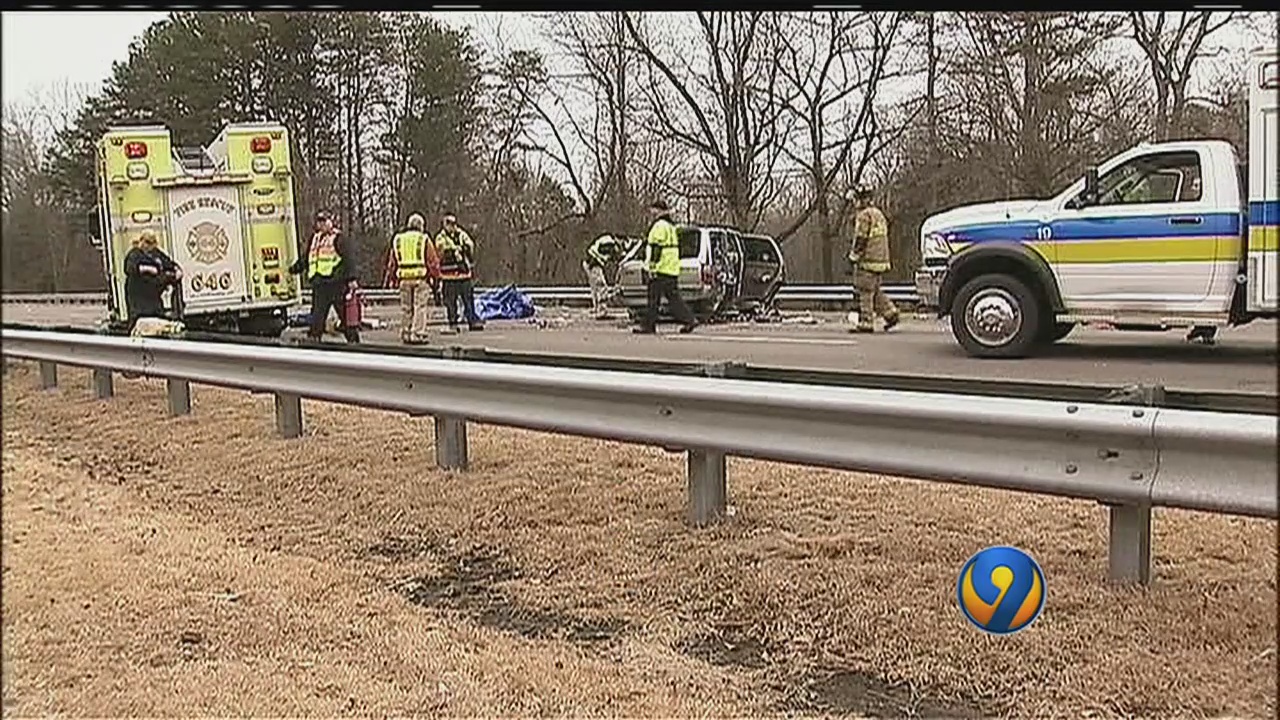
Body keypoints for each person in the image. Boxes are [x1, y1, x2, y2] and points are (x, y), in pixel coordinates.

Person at [289, 210, 360, 344]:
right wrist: (295, 269)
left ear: (330, 222)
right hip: (320, 284)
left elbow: (348, 259)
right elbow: (307, 258)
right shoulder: (315, 239)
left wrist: (351, 278)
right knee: (317, 316)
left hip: (336, 284)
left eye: (324, 221)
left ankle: (354, 341)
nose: (321, 225)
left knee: (345, 316)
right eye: (319, 222)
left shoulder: (339, 238)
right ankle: (314, 340)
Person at [633, 199, 697, 335]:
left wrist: (651, 267)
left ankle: (649, 326)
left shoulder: (659, 226)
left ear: (659, 211)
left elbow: (656, 248)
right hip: (671, 268)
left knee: (653, 298)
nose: (652, 213)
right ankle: (689, 319)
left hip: (660, 268)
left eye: (653, 210)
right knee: (673, 298)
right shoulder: (671, 226)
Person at [847, 184, 900, 334]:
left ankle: (866, 322)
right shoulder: (878, 214)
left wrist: (853, 257)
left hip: (868, 260)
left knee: (864, 290)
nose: (854, 203)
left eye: (855, 199)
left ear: (861, 200)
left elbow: (861, 238)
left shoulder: (864, 215)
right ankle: (890, 313)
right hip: (881, 259)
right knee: (874, 291)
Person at [123, 229, 183, 332]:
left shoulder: (156, 254)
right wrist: (147, 269)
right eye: (147, 242)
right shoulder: (134, 254)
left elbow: (169, 263)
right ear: (141, 241)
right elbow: (129, 268)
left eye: (151, 243)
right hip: (139, 305)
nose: (149, 246)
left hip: (155, 302)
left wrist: (177, 270)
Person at [433, 212, 484, 333]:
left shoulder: (462, 234)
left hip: (463, 274)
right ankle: (453, 323)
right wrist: (454, 251)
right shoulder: (440, 237)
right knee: (450, 302)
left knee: (468, 299)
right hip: (448, 275)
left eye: (453, 223)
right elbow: (441, 251)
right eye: (449, 223)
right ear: (444, 224)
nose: (452, 226)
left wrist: (461, 249)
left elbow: (470, 246)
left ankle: (472, 321)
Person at [390, 212, 436, 344]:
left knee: (406, 308)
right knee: (419, 307)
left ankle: (405, 332)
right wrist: (436, 278)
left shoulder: (398, 239)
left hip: (403, 279)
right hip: (420, 279)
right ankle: (417, 334)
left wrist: (391, 279)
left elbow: (392, 262)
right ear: (421, 226)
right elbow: (432, 261)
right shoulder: (424, 239)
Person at [583, 233, 623, 319]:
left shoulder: (606, 239)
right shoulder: (609, 242)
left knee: (595, 288)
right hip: (593, 264)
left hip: (589, 263)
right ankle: (602, 311)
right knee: (602, 287)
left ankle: (597, 308)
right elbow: (606, 253)